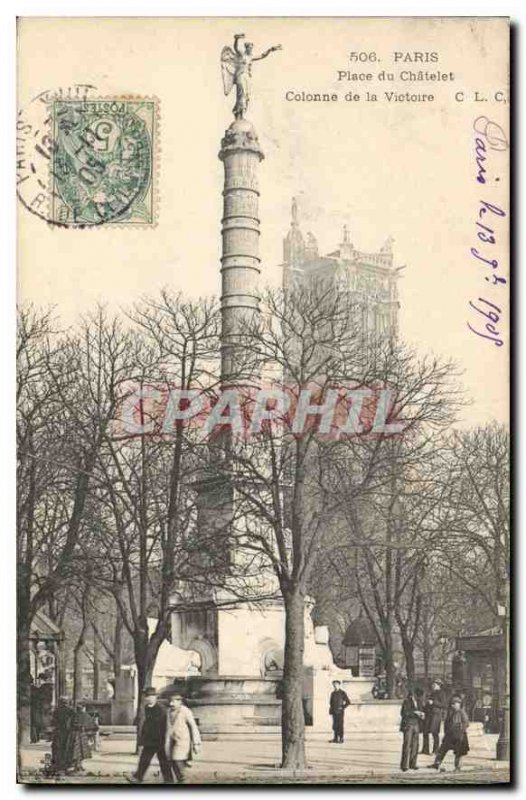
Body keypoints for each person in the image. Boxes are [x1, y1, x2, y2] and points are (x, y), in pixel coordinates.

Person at [127, 687, 173, 784]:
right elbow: (145, 724)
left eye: (152, 696)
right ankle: (139, 777)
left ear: (155, 697)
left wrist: (164, 740)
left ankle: (139, 777)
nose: (149, 698)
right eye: (147, 696)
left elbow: (164, 726)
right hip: (150, 739)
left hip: (159, 739)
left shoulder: (161, 709)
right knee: (147, 759)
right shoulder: (146, 708)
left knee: (159, 760)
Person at [164, 694, 201, 784]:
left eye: (173, 701)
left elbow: (193, 726)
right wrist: (166, 742)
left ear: (179, 701)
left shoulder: (185, 711)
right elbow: (168, 727)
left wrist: (196, 743)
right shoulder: (169, 711)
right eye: (170, 701)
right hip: (171, 740)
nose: (171, 704)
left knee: (178, 760)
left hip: (183, 741)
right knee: (172, 762)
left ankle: (184, 781)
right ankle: (181, 781)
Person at [432, 696, 470, 772]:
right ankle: (437, 763)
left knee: (459, 752)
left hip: (459, 736)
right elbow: (447, 723)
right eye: (452, 704)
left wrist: (460, 730)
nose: (452, 705)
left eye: (454, 704)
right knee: (442, 749)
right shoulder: (452, 713)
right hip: (450, 735)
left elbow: (466, 723)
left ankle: (457, 767)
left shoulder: (462, 712)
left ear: (459, 704)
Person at [399, 690, 424, 772]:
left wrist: (422, 714)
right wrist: (414, 713)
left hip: (416, 725)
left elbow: (421, 711)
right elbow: (404, 713)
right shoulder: (406, 702)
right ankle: (404, 765)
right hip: (408, 725)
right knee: (407, 745)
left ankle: (413, 764)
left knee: (415, 745)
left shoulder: (419, 702)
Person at [422, 680, 445, 755]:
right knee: (425, 732)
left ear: (439, 685)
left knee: (434, 733)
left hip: (436, 715)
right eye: (433, 684)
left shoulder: (442, 693)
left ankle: (436, 750)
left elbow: (443, 705)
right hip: (429, 714)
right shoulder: (431, 692)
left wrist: (434, 702)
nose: (433, 685)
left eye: (434, 684)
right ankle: (425, 749)